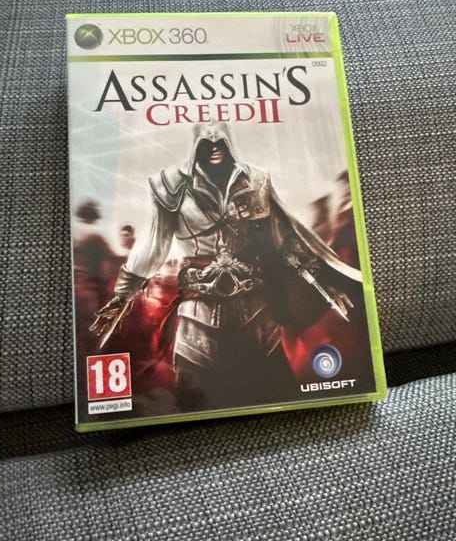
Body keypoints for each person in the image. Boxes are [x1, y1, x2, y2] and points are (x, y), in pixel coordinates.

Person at [91, 122, 361, 411]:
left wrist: (322, 283)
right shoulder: (169, 186)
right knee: (195, 403)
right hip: (198, 314)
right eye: (206, 144)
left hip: (255, 313)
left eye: (219, 142)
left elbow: (283, 239)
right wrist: (122, 295)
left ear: (229, 143)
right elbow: (154, 243)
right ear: (195, 147)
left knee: (277, 397)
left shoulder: (256, 180)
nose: (214, 149)